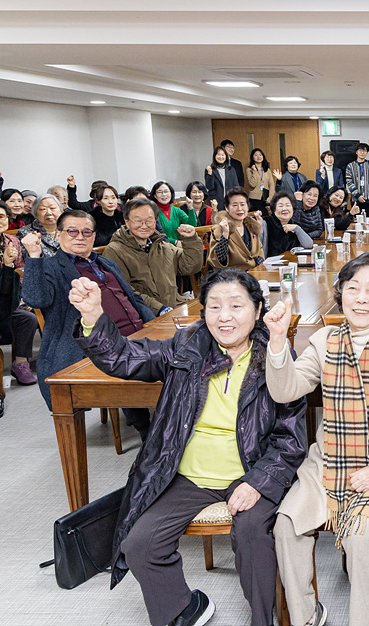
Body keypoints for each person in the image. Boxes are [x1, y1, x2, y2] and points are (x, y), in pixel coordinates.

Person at [70, 268, 307, 626]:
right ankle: (183, 608)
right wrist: (92, 316)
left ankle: (264, 618)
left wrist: (257, 482)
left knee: (251, 536)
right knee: (140, 545)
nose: (224, 317)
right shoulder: (187, 346)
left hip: (251, 470)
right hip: (186, 475)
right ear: (204, 312)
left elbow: (290, 437)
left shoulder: (274, 355)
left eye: (236, 306)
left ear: (258, 310)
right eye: (214, 307)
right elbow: (125, 359)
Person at [267, 251, 369, 626]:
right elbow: (286, 390)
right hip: (330, 460)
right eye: (353, 288)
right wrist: (277, 343)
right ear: (340, 294)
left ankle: (364, 621)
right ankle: (307, 616)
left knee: (360, 535)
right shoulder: (324, 340)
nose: (361, 298)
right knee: (286, 525)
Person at [20, 209, 155, 437]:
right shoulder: (50, 266)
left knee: (183, 354)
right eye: (72, 231)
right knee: (127, 363)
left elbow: (132, 298)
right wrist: (33, 256)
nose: (80, 236)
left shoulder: (105, 262)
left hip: (138, 335)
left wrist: (156, 326)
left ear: (94, 235)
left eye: (86, 231)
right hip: (94, 345)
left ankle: (177, 420)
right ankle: (148, 432)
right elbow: (35, 299)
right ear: (59, 235)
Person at [0, 200, 39, 420]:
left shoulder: (12, 241)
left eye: (1, 217)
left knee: (27, 319)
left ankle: (20, 363)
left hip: (5, 302)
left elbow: (18, 274)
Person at [102, 198, 204, 317]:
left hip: (174, 309)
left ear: (155, 221)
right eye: (138, 220)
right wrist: (159, 309)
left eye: (149, 220)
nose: (144, 225)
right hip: (143, 314)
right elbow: (124, 290)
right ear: (127, 222)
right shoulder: (114, 251)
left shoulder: (163, 246)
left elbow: (191, 266)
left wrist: (191, 239)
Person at [207, 187, 265, 271]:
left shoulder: (252, 226)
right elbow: (219, 260)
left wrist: (259, 270)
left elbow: (259, 252)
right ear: (227, 208)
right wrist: (225, 235)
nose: (239, 209)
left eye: (242, 204)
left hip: (252, 273)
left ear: (248, 207)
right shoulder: (219, 229)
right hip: (231, 276)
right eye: (234, 205)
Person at [264, 191, 314, 258]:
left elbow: (308, 245)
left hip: (291, 264)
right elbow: (262, 252)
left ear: (293, 209)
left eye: (288, 205)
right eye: (280, 206)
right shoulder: (266, 223)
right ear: (274, 209)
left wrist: (297, 228)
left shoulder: (294, 225)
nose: (284, 209)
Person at [17, 193, 63, 258]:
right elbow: (26, 259)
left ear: (61, 211)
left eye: (52, 208)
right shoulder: (25, 232)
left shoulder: (68, 230)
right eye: (43, 209)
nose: (49, 213)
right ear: (35, 213)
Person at [205, 146, 240, 211]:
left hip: (229, 201)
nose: (220, 157)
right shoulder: (210, 169)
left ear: (226, 157)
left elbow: (236, 186)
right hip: (215, 202)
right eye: (218, 154)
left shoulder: (231, 169)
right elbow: (209, 187)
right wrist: (210, 174)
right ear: (214, 156)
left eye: (223, 155)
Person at [245, 147, 280, 213]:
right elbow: (252, 184)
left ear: (263, 156)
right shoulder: (249, 170)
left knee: (265, 217)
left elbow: (271, 184)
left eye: (260, 155)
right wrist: (254, 171)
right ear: (252, 157)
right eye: (256, 155)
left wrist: (270, 196)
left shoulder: (267, 170)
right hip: (254, 199)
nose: (258, 157)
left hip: (265, 198)